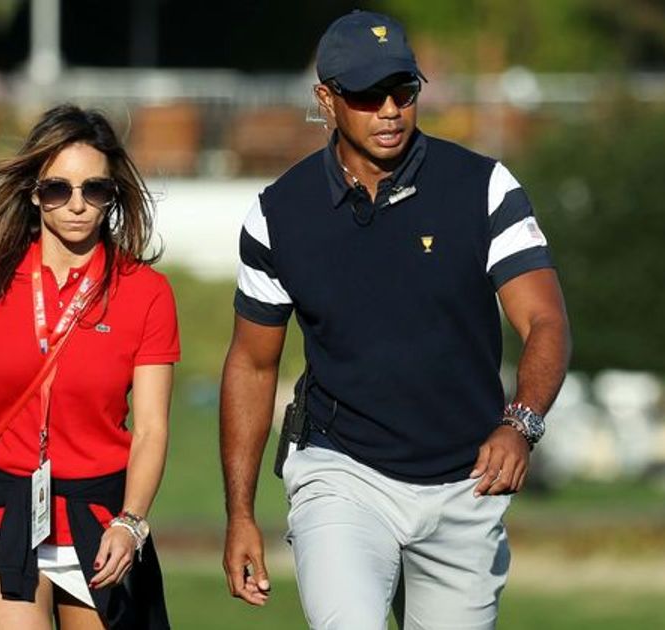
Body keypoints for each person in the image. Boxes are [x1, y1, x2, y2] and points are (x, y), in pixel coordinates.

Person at [220, 10, 571, 630]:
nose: (389, 108)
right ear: (326, 100)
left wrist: (521, 423)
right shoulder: (277, 215)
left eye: (403, 90)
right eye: (366, 94)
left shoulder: (485, 188)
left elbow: (545, 321)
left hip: (468, 482)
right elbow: (251, 364)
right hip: (341, 472)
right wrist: (241, 514)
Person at [0, 105, 179, 630]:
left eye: (96, 190)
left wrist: (131, 522)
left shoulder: (146, 293)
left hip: (99, 516)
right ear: (33, 192)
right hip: (1, 509)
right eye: (58, 189)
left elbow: (152, 427)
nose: (77, 205)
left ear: (114, 196)